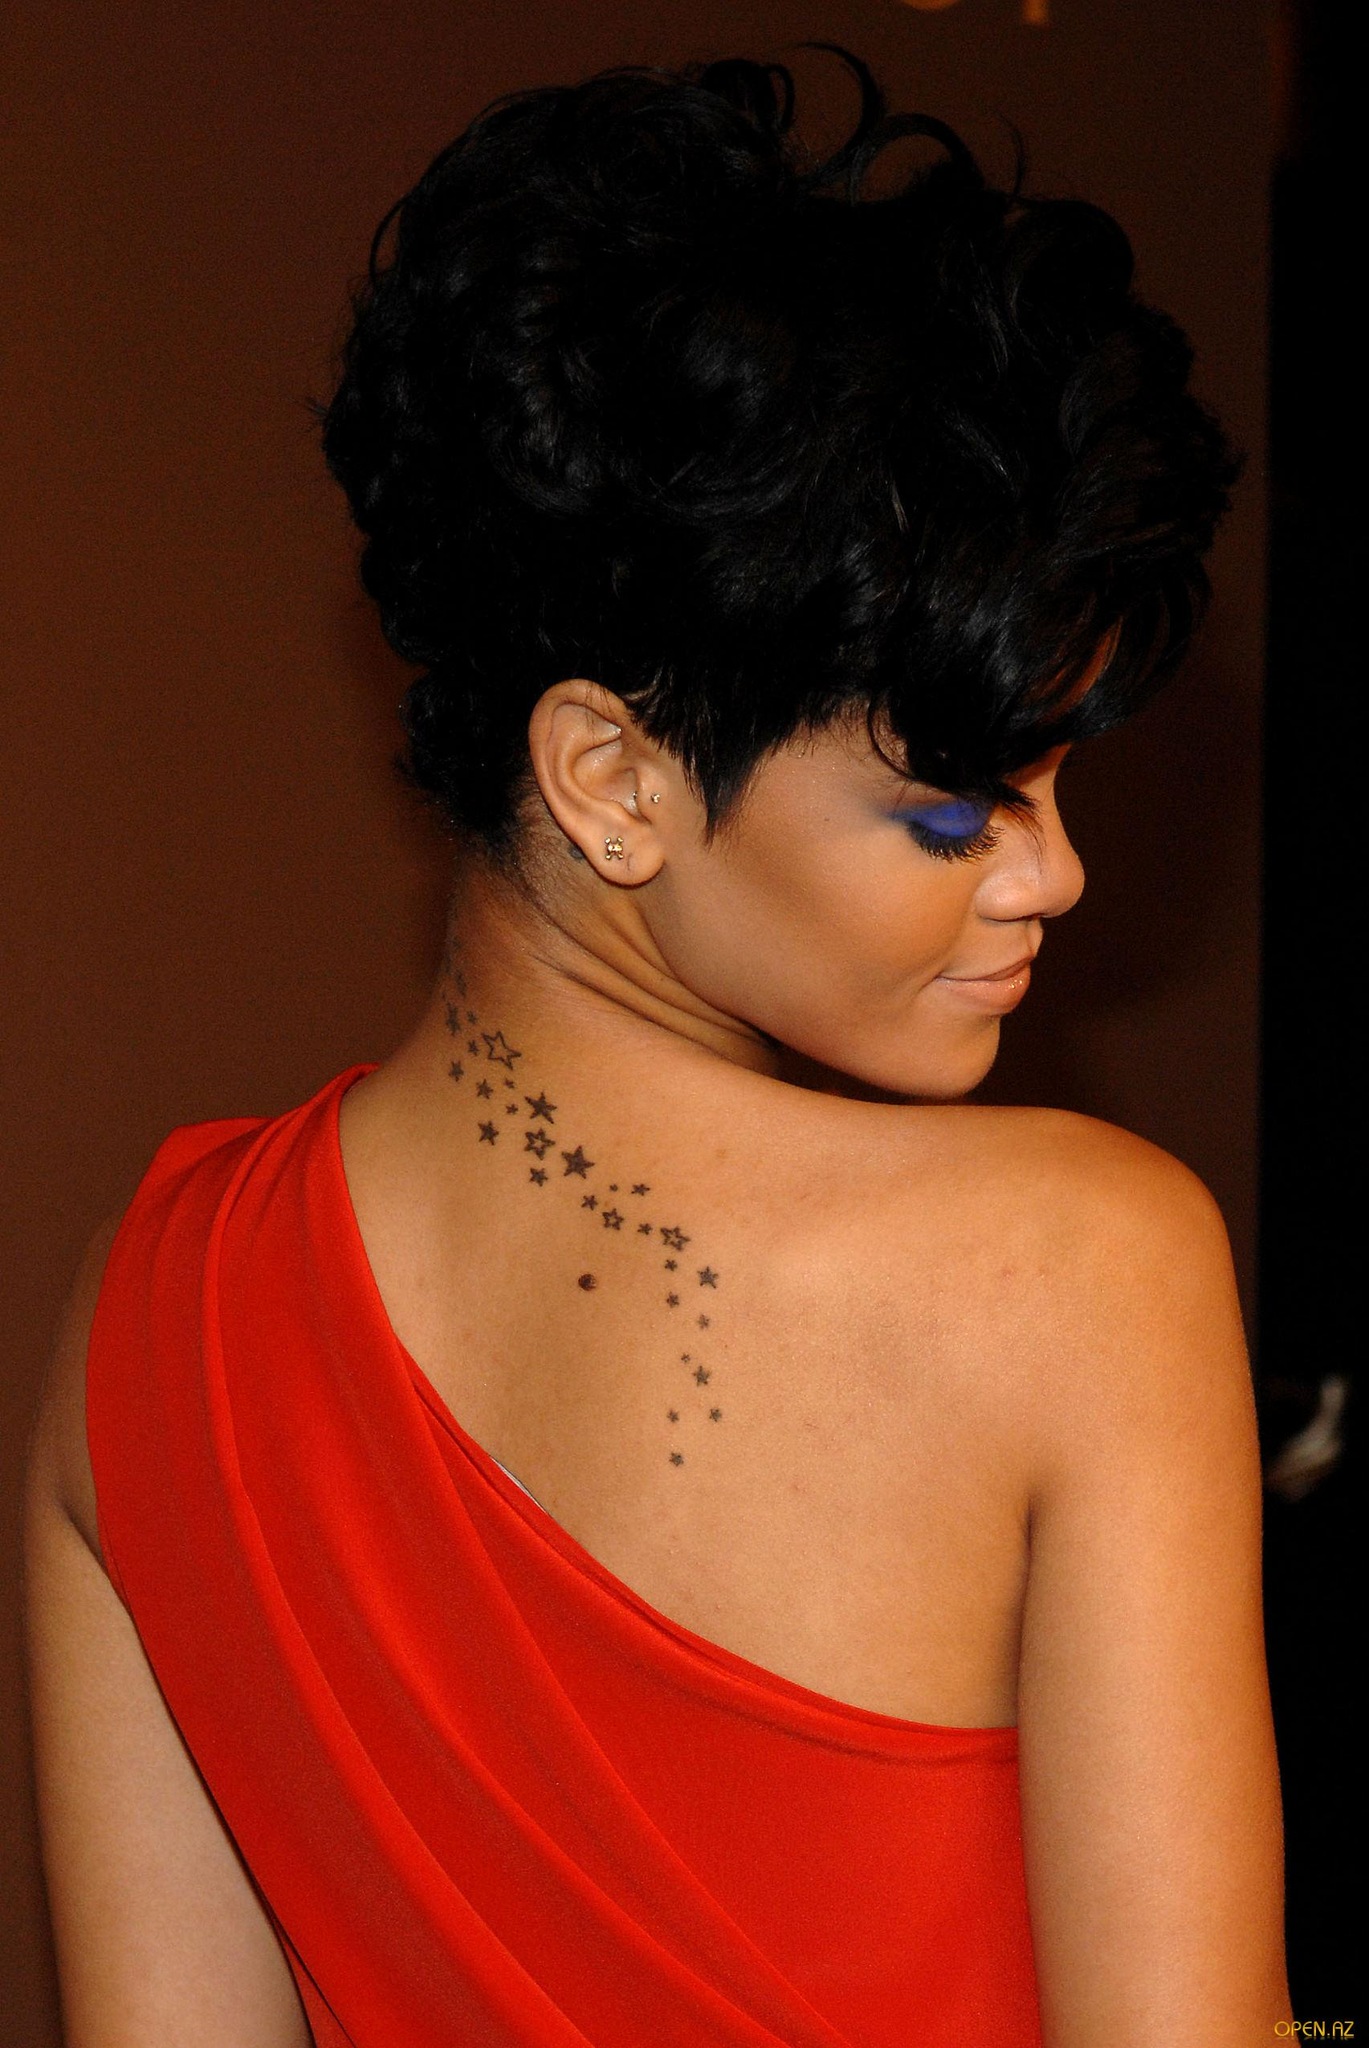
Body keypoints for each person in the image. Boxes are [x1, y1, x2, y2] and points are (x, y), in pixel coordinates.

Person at [23, 50, 1290, 2047]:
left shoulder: (136, 1323)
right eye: (953, 807)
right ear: (610, 778)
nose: (1054, 875)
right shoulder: (1079, 1268)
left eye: (1056, 784)